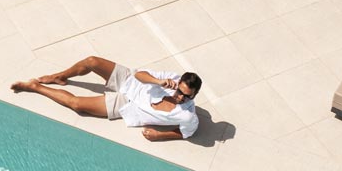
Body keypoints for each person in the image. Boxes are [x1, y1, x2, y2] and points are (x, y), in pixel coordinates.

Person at [11, 56, 201, 142]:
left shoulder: (187, 116)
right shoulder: (171, 79)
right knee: (92, 61)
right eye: (180, 91)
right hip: (132, 82)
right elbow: (139, 75)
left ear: (194, 95)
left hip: (129, 106)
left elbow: (186, 133)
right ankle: (59, 76)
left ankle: (35, 87)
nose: (181, 97)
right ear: (179, 83)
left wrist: (159, 135)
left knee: (77, 105)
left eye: (187, 96)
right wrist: (158, 82)